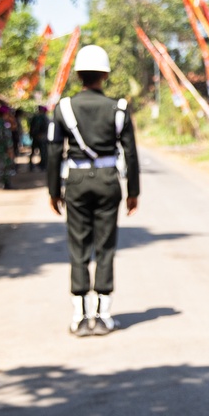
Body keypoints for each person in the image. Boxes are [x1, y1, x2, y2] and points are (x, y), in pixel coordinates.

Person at [47, 44, 140, 337]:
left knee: (78, 246)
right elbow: (131, 153)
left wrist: (53, 190)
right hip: (108, 180)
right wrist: (133, 191)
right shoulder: (119, 108)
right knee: (105, 246)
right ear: (105, 75)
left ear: (78, 75)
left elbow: (52, 152)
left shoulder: (63, 108)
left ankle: (79, 316)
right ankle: (104, 315)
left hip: (74, 181)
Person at [0, 105, 15, 189]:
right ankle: (5, 183)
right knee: (5, 165)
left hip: (1, 148)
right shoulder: (2, 123)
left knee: (3, 165)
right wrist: (9, 148)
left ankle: (4, 182)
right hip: (4, 148)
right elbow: (6, 137)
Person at [28, 104, 49, 171]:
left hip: (38, 137)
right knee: (42, 152)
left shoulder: (36, 117)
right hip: (41, 137)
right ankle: (42, 165)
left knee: (36, 151)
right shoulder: (42, 117)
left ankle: (34, 166)